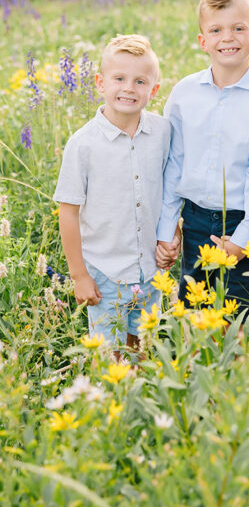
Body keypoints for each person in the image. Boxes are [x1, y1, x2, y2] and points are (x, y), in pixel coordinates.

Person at [155, 0, 249, 325]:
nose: (227, 38)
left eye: (238, 28)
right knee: (194, 314)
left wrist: (244, 239)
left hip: (245, 223)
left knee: (239, 316)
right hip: (196, 221)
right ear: (203, 41)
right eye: (216, 30)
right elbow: (174, 164)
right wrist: (167, 227)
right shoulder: (185, 93)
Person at [54, 34, 171, 352]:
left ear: (153, 90)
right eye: (119, 78)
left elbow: (171, 191)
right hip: (104, 274)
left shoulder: (162, 133)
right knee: (108, 356)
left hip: (150, 271)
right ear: (100, 83)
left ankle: (139, 397)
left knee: (143, 347)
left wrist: (174, 235)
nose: (129, 88)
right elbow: (68, 212)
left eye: (140, 81)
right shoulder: (83, 144)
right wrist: (79, 275)